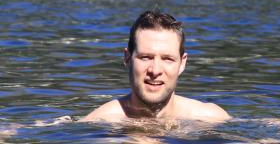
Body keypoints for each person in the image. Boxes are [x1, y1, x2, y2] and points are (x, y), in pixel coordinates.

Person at [82, 9, 230, 123]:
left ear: (182, 63)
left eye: (167, 59)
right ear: (127, 59)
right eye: (145, 57)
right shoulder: (101, 122)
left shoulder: (210, 118)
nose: (155, 70)